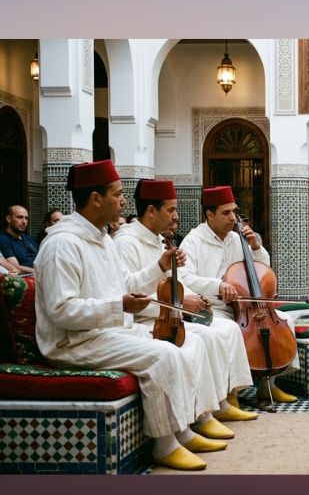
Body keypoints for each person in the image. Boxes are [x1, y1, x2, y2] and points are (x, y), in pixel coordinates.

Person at [34, 160, 224, 471]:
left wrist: (158, 267)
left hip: (107, 331)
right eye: (118, 193)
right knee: (163, 355)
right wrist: (119, 307)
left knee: (185, 344)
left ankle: (186, 429)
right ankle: (165, 444)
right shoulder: (62, 244)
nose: (124, 200)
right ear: (96, 198)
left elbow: (125, 285)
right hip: (72, 341)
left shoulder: (102, 239)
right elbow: (60, 311)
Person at [115, 179, 257, 440]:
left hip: (169, 312)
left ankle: (223, 403)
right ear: (150, 211)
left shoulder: (159, 240)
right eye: (171, 210)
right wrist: (182, 301)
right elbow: (128, 292)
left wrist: (189, 298)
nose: (176, 217)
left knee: (221, 329)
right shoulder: (127, 242)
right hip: (147, 319)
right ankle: (201, 417)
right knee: (206, 336)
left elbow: (174, 282)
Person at [179, 185, 300, 404]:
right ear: (209, 214)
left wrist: (255, 247)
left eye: (234, 211)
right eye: (226, 213)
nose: (233, 217)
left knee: (285, 320)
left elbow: (262, 273)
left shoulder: (237, 239)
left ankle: (269, 386)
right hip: (213, 307)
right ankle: (231, 393)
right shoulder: (193, 240)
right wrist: (218, 285)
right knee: (231, 329)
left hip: (244, 305)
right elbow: (184, 278)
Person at [0, 205, 39, 274]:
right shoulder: (3, 239)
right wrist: (39, 272)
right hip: (24, 279)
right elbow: (15, 267)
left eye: (26, 218)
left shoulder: (29, 239)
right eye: (20, 217)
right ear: (9, 219)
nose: (24, 221)